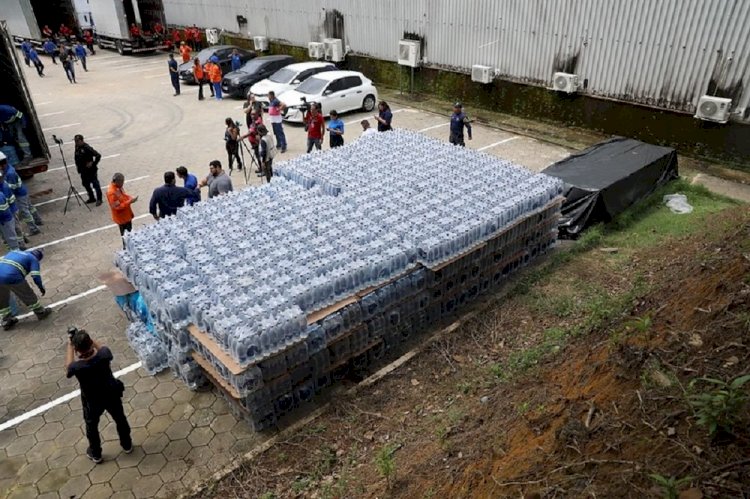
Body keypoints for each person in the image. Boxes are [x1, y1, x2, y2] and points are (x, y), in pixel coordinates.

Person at [66, 328, 133, 464]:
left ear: (77, 351)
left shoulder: (77, 367)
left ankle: (96, 453)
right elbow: (101, 347)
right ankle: (127, 444)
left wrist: (70, 345)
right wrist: (89, 339)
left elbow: (68, 367)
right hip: (111, 394)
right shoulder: (104, 355)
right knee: (120, 418)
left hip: (92, 401)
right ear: (91, 343)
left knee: (92, 427)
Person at [0, 248, 51, 330]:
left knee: (2, 299)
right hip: (12, 276)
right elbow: (35, 276)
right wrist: (40, 287)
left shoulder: (15, 252)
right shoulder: (33, 259)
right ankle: (40, 312)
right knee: (28, 295)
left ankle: (6, 320)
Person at [0, 152, 42, 235]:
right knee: (30, 207)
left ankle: (34, 229)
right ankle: (38, 220)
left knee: (24, 211)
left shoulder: (9, 173)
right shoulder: (8, 168)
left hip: (19, 195)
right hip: (23, 191)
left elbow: (11, 188)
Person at [106, 173, 138, 248]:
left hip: (126, 215)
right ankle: (126, 249)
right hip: (122, 218)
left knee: (129, 234)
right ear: (117, 181)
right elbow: (116, 207)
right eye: (122, 182)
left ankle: (130, 246)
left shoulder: (118, 187)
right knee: (125, 236)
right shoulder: (112, 193)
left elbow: (123, 195)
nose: (123, 184)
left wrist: (130, 198)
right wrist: (129, 202)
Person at [74, 134, 103, 206]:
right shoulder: (77, 147)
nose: (76, 142)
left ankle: (99, 199)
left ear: (81, 140)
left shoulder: (87, 148)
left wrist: (93, 164)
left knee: (95, 184)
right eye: (75, 141)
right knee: (85, 184)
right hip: (83, 171)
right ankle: (92, 198)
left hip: (91, 171)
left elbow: (98, 155)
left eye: (77, 141)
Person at [0, 172, 19, 250]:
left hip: (5, 220)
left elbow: (3, 211)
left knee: (11, 238)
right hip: (5, 219)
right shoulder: (3, 186)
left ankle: (16, 253)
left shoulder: (3, 189)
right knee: (7, 237)